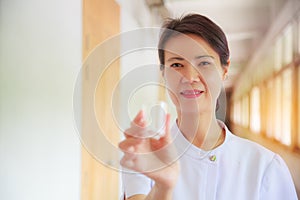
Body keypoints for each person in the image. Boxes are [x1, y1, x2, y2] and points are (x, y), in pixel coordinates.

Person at [118, 14, 298, 200]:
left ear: (224, 71)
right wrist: (163, 188)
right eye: (177, 64)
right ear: (163, 73)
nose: (189, 77)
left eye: (204, 63)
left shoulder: (264, 166)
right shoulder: (147, 157)